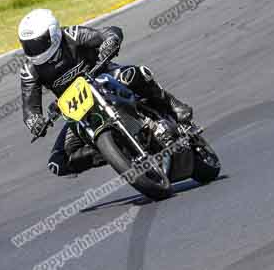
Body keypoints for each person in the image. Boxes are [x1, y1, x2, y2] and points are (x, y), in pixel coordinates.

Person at [18, 9, 193, 177]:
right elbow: (29, 107)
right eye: (28, 45)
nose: (34, 50)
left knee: (133, 74)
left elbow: (109, 32)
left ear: (53, 33)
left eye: (38, 43)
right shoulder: (29, 70)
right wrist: (35, 122)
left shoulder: (72, 35)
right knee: (57, 163)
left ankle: (172, 104)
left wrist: (110, 41)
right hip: (78, 107)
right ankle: (117, 152)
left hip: (103, 77)